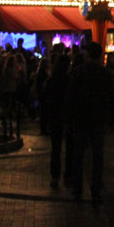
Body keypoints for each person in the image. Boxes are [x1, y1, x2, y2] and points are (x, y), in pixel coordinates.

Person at [67, 42, 114, 203]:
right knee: (97, 156)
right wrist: (112, 119)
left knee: (78, 154)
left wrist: (69, 118)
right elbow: (112, 98)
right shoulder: (105, 74)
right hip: (98, 119)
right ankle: (96, 189)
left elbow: (70, 97)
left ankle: (77, 188)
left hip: (81, 118)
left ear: (88, 55)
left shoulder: (78, 72)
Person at [45, 54, 71, 188]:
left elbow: (45, 100)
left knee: (56, 149)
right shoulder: (69, 81)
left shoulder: (51, 81)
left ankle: (55, 176)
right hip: (67, 118)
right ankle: (68, 175)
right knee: (69, 148)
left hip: (55, 117)